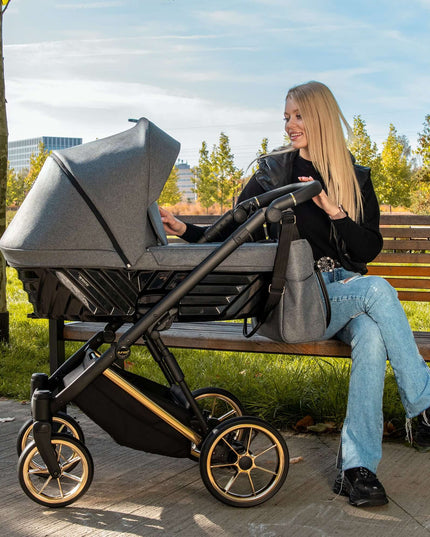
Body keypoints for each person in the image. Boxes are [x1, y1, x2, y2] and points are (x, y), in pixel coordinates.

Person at [160, 80, 430, 508]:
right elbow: (232, 227)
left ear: (319, 117)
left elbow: (367, 250)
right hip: (300, 298)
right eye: (286, 116)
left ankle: (358, 470)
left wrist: (335, 212)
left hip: (348, 292)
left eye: (298, 115)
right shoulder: (273, 172)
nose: (289, 124)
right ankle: (423, 404)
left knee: (374, 335)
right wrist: (187, 231)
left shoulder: (355, 176)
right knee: (378, 290)